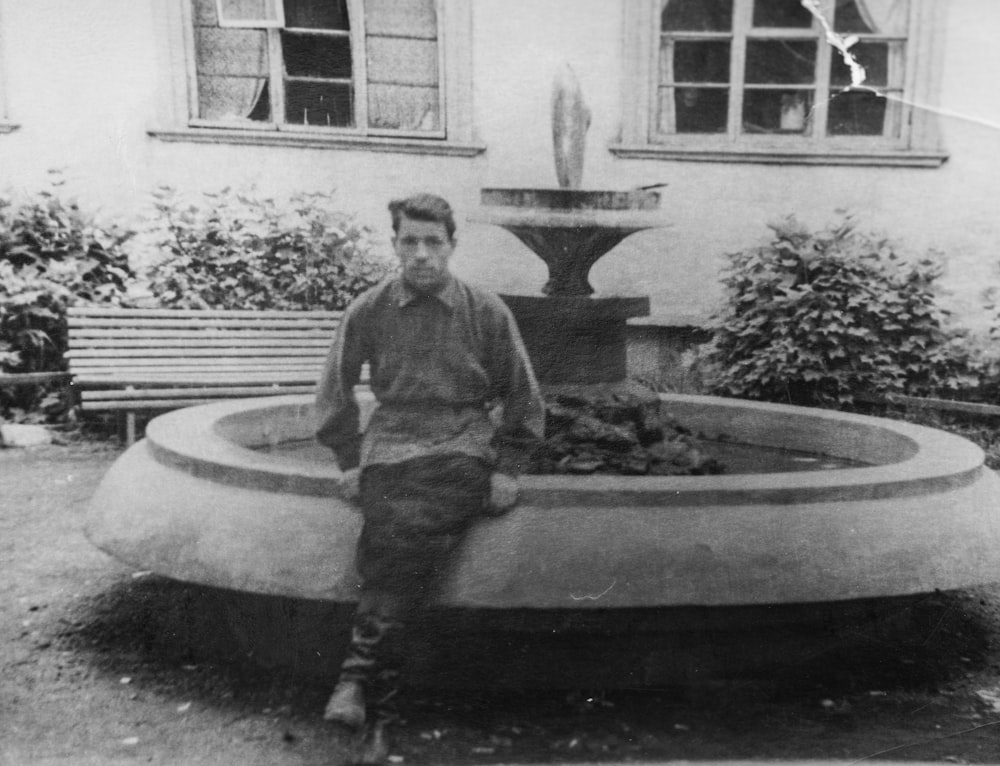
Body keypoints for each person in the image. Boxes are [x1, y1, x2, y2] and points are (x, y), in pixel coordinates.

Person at [315, 193, 545, 731]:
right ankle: (377, 682)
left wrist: (508, 468)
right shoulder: (369, 308)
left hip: (461, 442)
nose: (421, 254)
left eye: (432, 242)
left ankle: (356, 678)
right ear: (394, 244)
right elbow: (333, 388)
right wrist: (349, 461)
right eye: (409, 241)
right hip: (392, 441)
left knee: (400, 527)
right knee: (397, 520)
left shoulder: (485, 310)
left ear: (452, 245)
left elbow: (524, 395)